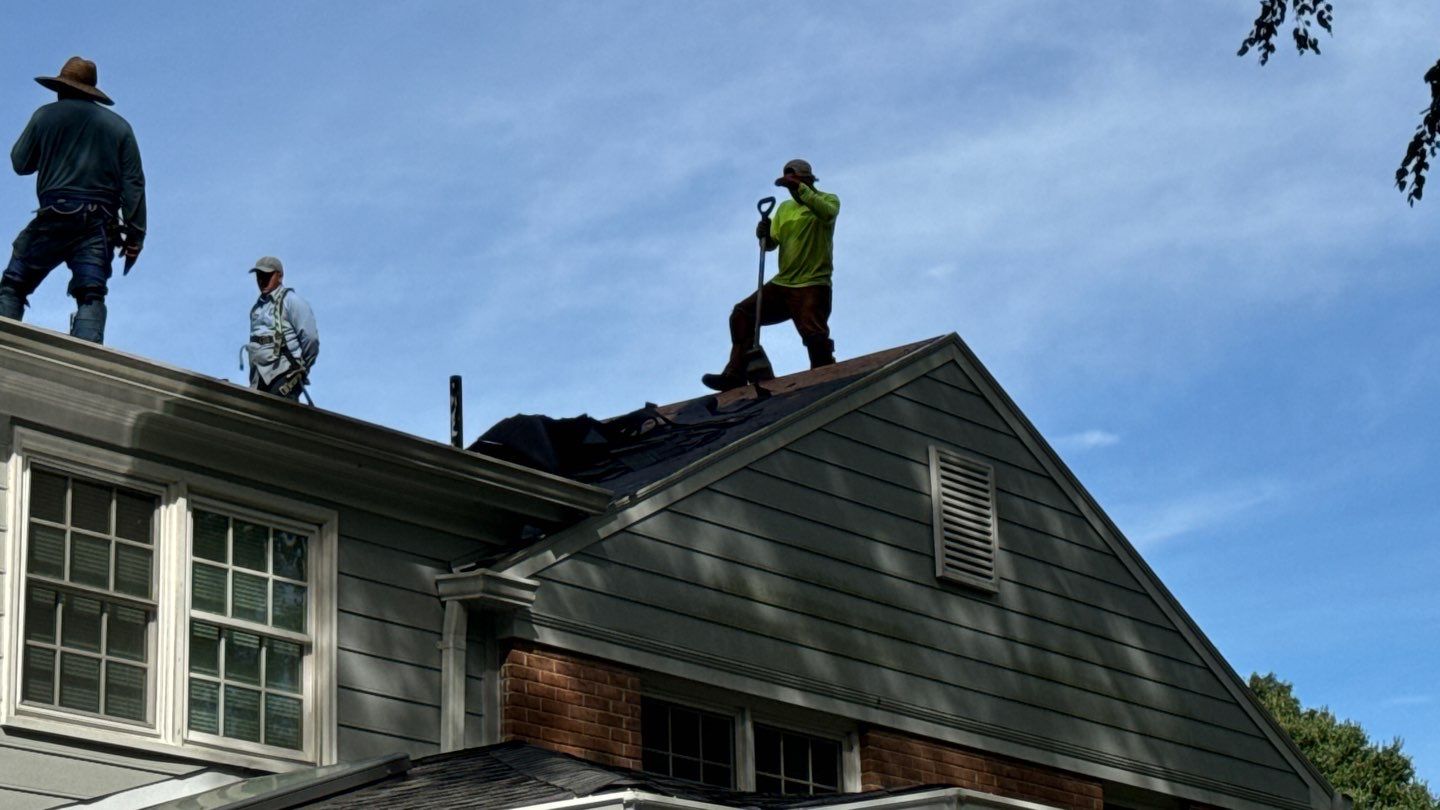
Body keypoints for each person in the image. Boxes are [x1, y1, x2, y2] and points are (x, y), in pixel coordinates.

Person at [1, 57, 145, 343]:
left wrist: (52, 148)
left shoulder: (45, 115)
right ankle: (87, 350)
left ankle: (4, 340)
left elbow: (20, 163)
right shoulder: (120, 127)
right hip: (98, 223)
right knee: (91, 292)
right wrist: (135, 235)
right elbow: (134, 184)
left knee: (14, 284)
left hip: (54, 215)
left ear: (61, 88)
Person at [702, 158, 840, 392]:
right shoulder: (785, 209)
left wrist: (801, 190)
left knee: (814, 334)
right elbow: (771, 244)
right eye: (788, 185)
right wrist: (764, 234)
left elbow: (827, 213)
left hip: (812, 283)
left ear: (807, 180)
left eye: (794, 183)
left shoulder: (827, 199)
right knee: (743, 313)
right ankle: (735, 373)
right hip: (784, 283)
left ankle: (826, 377)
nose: (791, 190)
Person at [245, 256, 319, 402]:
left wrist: (302, 368)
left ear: (279, 276)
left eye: (267, 276)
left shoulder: (291, 301)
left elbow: (311, 339)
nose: (262, 280)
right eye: (259, 276)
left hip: (284, 374)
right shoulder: (257, 308)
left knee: (278, 417)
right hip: (259, 377)